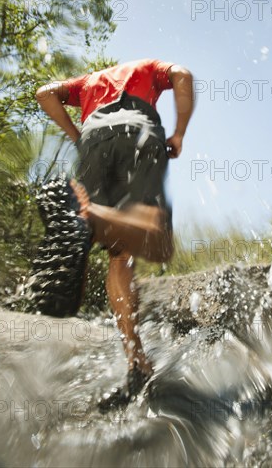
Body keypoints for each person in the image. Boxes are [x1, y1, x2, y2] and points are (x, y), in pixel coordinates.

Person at [35, 59, 194, 408]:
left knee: (120, 251)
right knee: (157, 241)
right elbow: (182, 74)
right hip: (137, 130)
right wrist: (179, 132)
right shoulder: (147, 67)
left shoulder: (89, 81)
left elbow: (45, 94)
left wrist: (78, 136)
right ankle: (89, 217)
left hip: (93, 141)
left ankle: (136, 361)